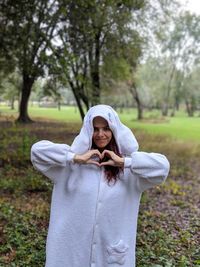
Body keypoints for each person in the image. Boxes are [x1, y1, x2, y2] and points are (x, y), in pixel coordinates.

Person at [31, 104, 170, 267]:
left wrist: (125, 162)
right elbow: (36, 152)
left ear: (114, 130)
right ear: (88, 131)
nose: (100, 134)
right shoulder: (71, 167)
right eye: (95, 129)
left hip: (111, 254)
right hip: (72, 254)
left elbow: (163, 167)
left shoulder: (130, 171)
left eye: (106, 128)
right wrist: (75, 157)